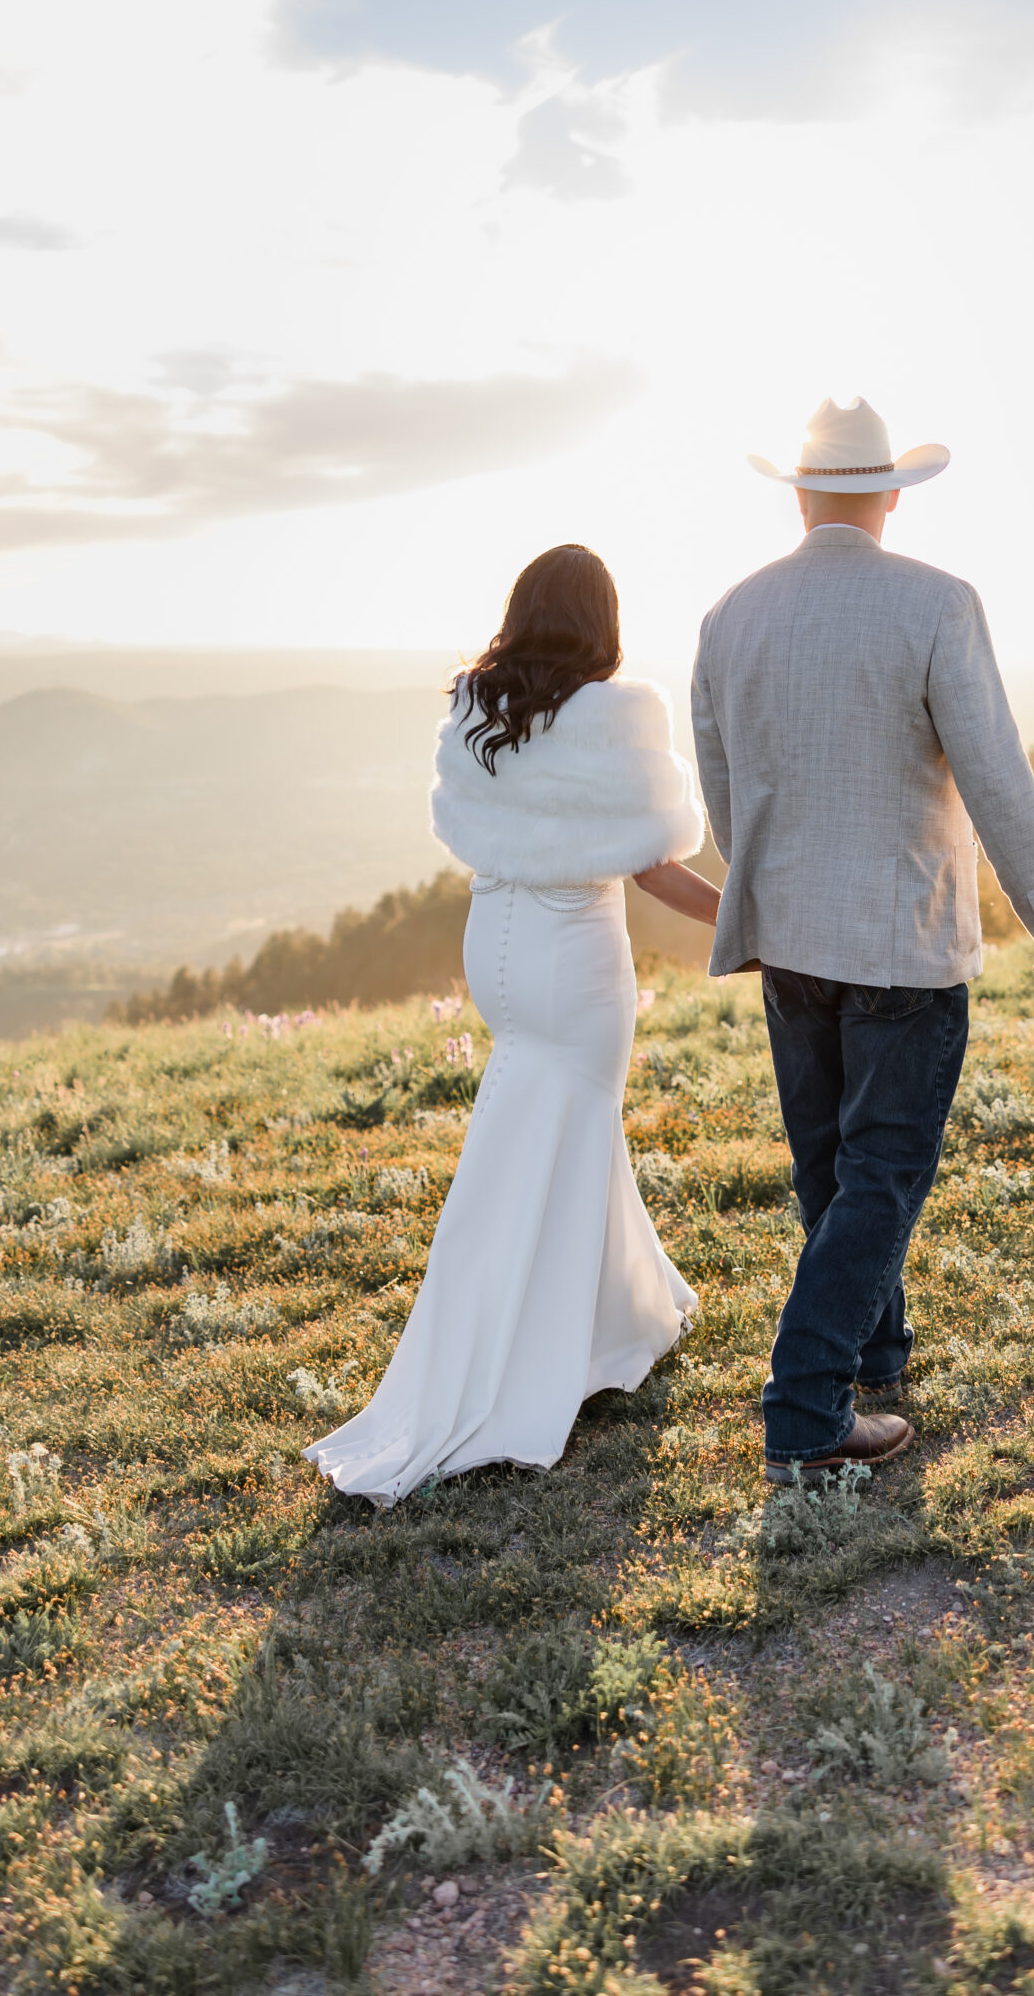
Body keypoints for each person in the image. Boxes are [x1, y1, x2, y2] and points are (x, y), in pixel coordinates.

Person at [691, 398, 1034, 1485]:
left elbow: (721, 788)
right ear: (891, 496)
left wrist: (764, 884)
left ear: (802, 494)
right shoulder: (936, 602)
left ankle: (876, 1352)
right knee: (882, 1172)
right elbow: (992, 767)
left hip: (790, 935)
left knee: (831, 1165)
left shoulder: (730, 613)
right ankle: (806, 1409)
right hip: (902, 933)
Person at [306, 544, 721, 1505]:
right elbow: (655, 865)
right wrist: (745, 921)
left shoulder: (477, 699)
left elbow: (468, 825)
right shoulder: (620, 715)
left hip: (493, 942)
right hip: (573, 955)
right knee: (574, 1122)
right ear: (602, 622)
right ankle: (539, 1359)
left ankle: (621, 1314)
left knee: (564, 1127)